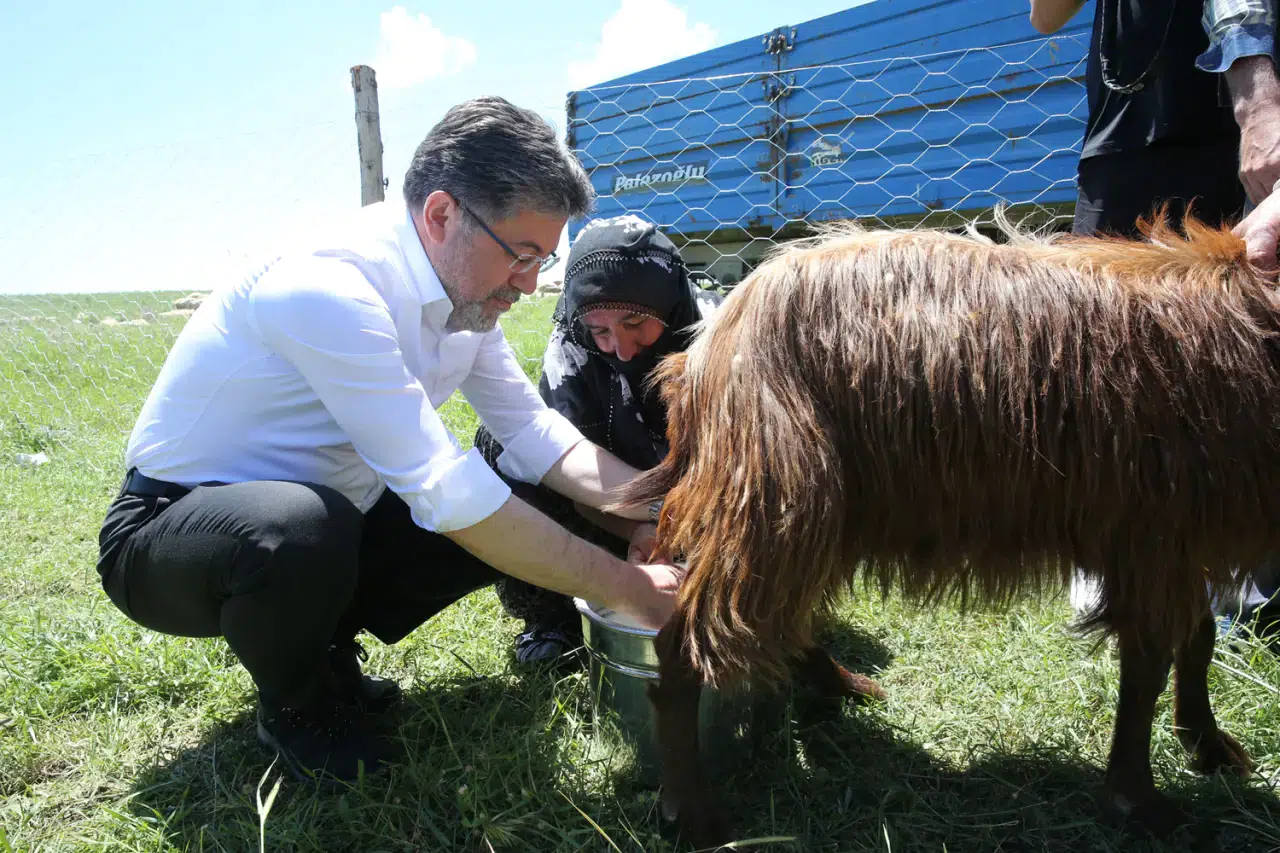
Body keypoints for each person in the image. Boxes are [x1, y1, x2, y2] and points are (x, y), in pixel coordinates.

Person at [94, 97, 685, 785]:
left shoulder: (468, 302)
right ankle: (300, 706)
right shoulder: (329, 289)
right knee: (301, 529)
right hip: (171, 534)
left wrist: (657, 510)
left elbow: (532, 431)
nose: (531, 284)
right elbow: (439, 486)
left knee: (508, 475)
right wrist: (631, 588)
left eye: (543, 259)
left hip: (333, 517)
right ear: (441, 216)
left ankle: (325, 647)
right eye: (521, 256)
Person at [473, 216, 722, 666]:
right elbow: (569, 472)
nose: (621, 349)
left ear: (667, 304)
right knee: (502, 446)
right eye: (601, 331)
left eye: (635, 323)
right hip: (619, 514)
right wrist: (641, 529)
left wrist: (685, 526)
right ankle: (553, 616)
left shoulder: (719, 339)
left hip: (715, 518)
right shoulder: (570, 347)